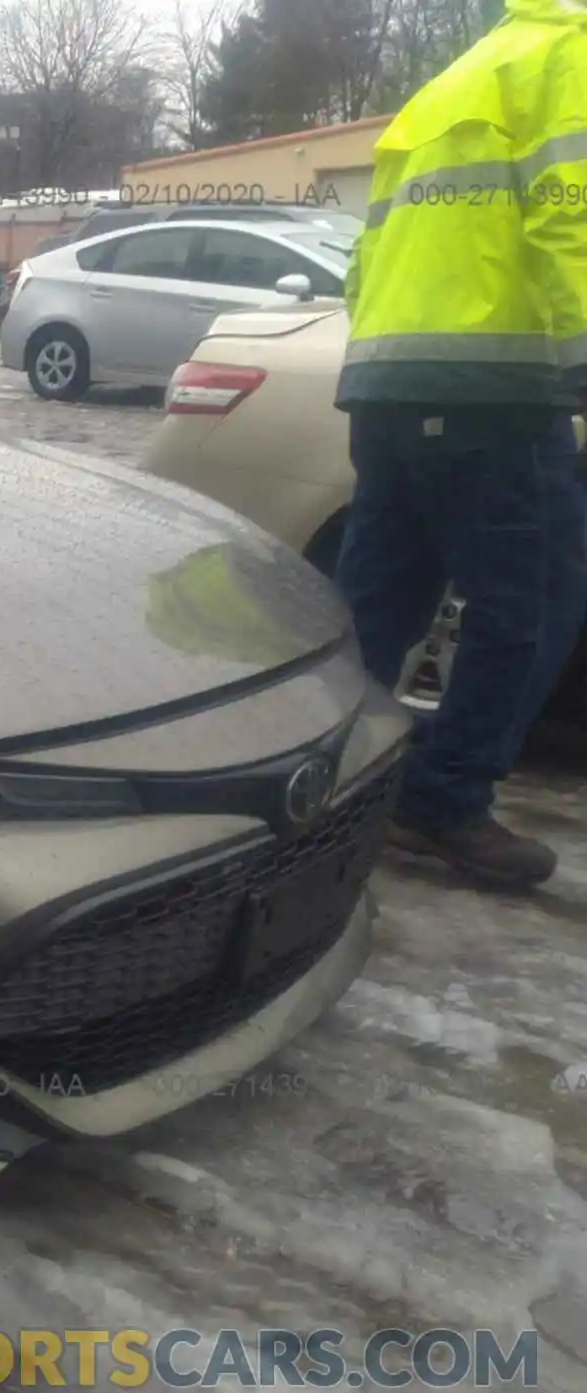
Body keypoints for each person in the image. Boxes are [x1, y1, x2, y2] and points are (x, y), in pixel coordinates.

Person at [332, 0, 587, 889]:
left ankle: (329, 777)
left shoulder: (452, 81)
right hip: (490, 388)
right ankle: (441, 800)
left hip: (388, 381)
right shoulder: (569, 60)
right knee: (533, 595)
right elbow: (571, 221)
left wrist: (379, 366)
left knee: (375, 602)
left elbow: (367, 253)